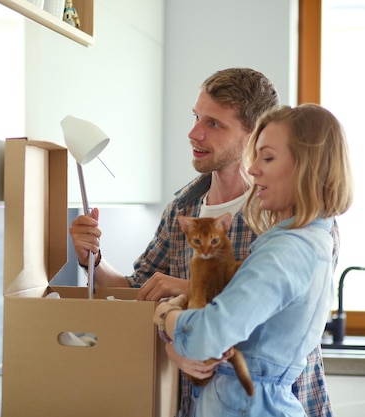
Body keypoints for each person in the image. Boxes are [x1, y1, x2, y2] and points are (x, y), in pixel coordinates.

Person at [69, 68, 336, 416]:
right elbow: (136, 292)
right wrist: (93, 256)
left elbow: (275, 314)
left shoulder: (289, 215)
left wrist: (179, 302)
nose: (194, 133)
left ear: (253, 134)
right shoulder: (183, 209)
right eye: (197, 117)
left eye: (213, 124)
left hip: (275, 401)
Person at [155, 103, 353, 416]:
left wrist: (165, 316)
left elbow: (208, 336)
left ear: (306, 166)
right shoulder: (311, 236)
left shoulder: (286, 250)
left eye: (268, 157)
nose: (253, 168)